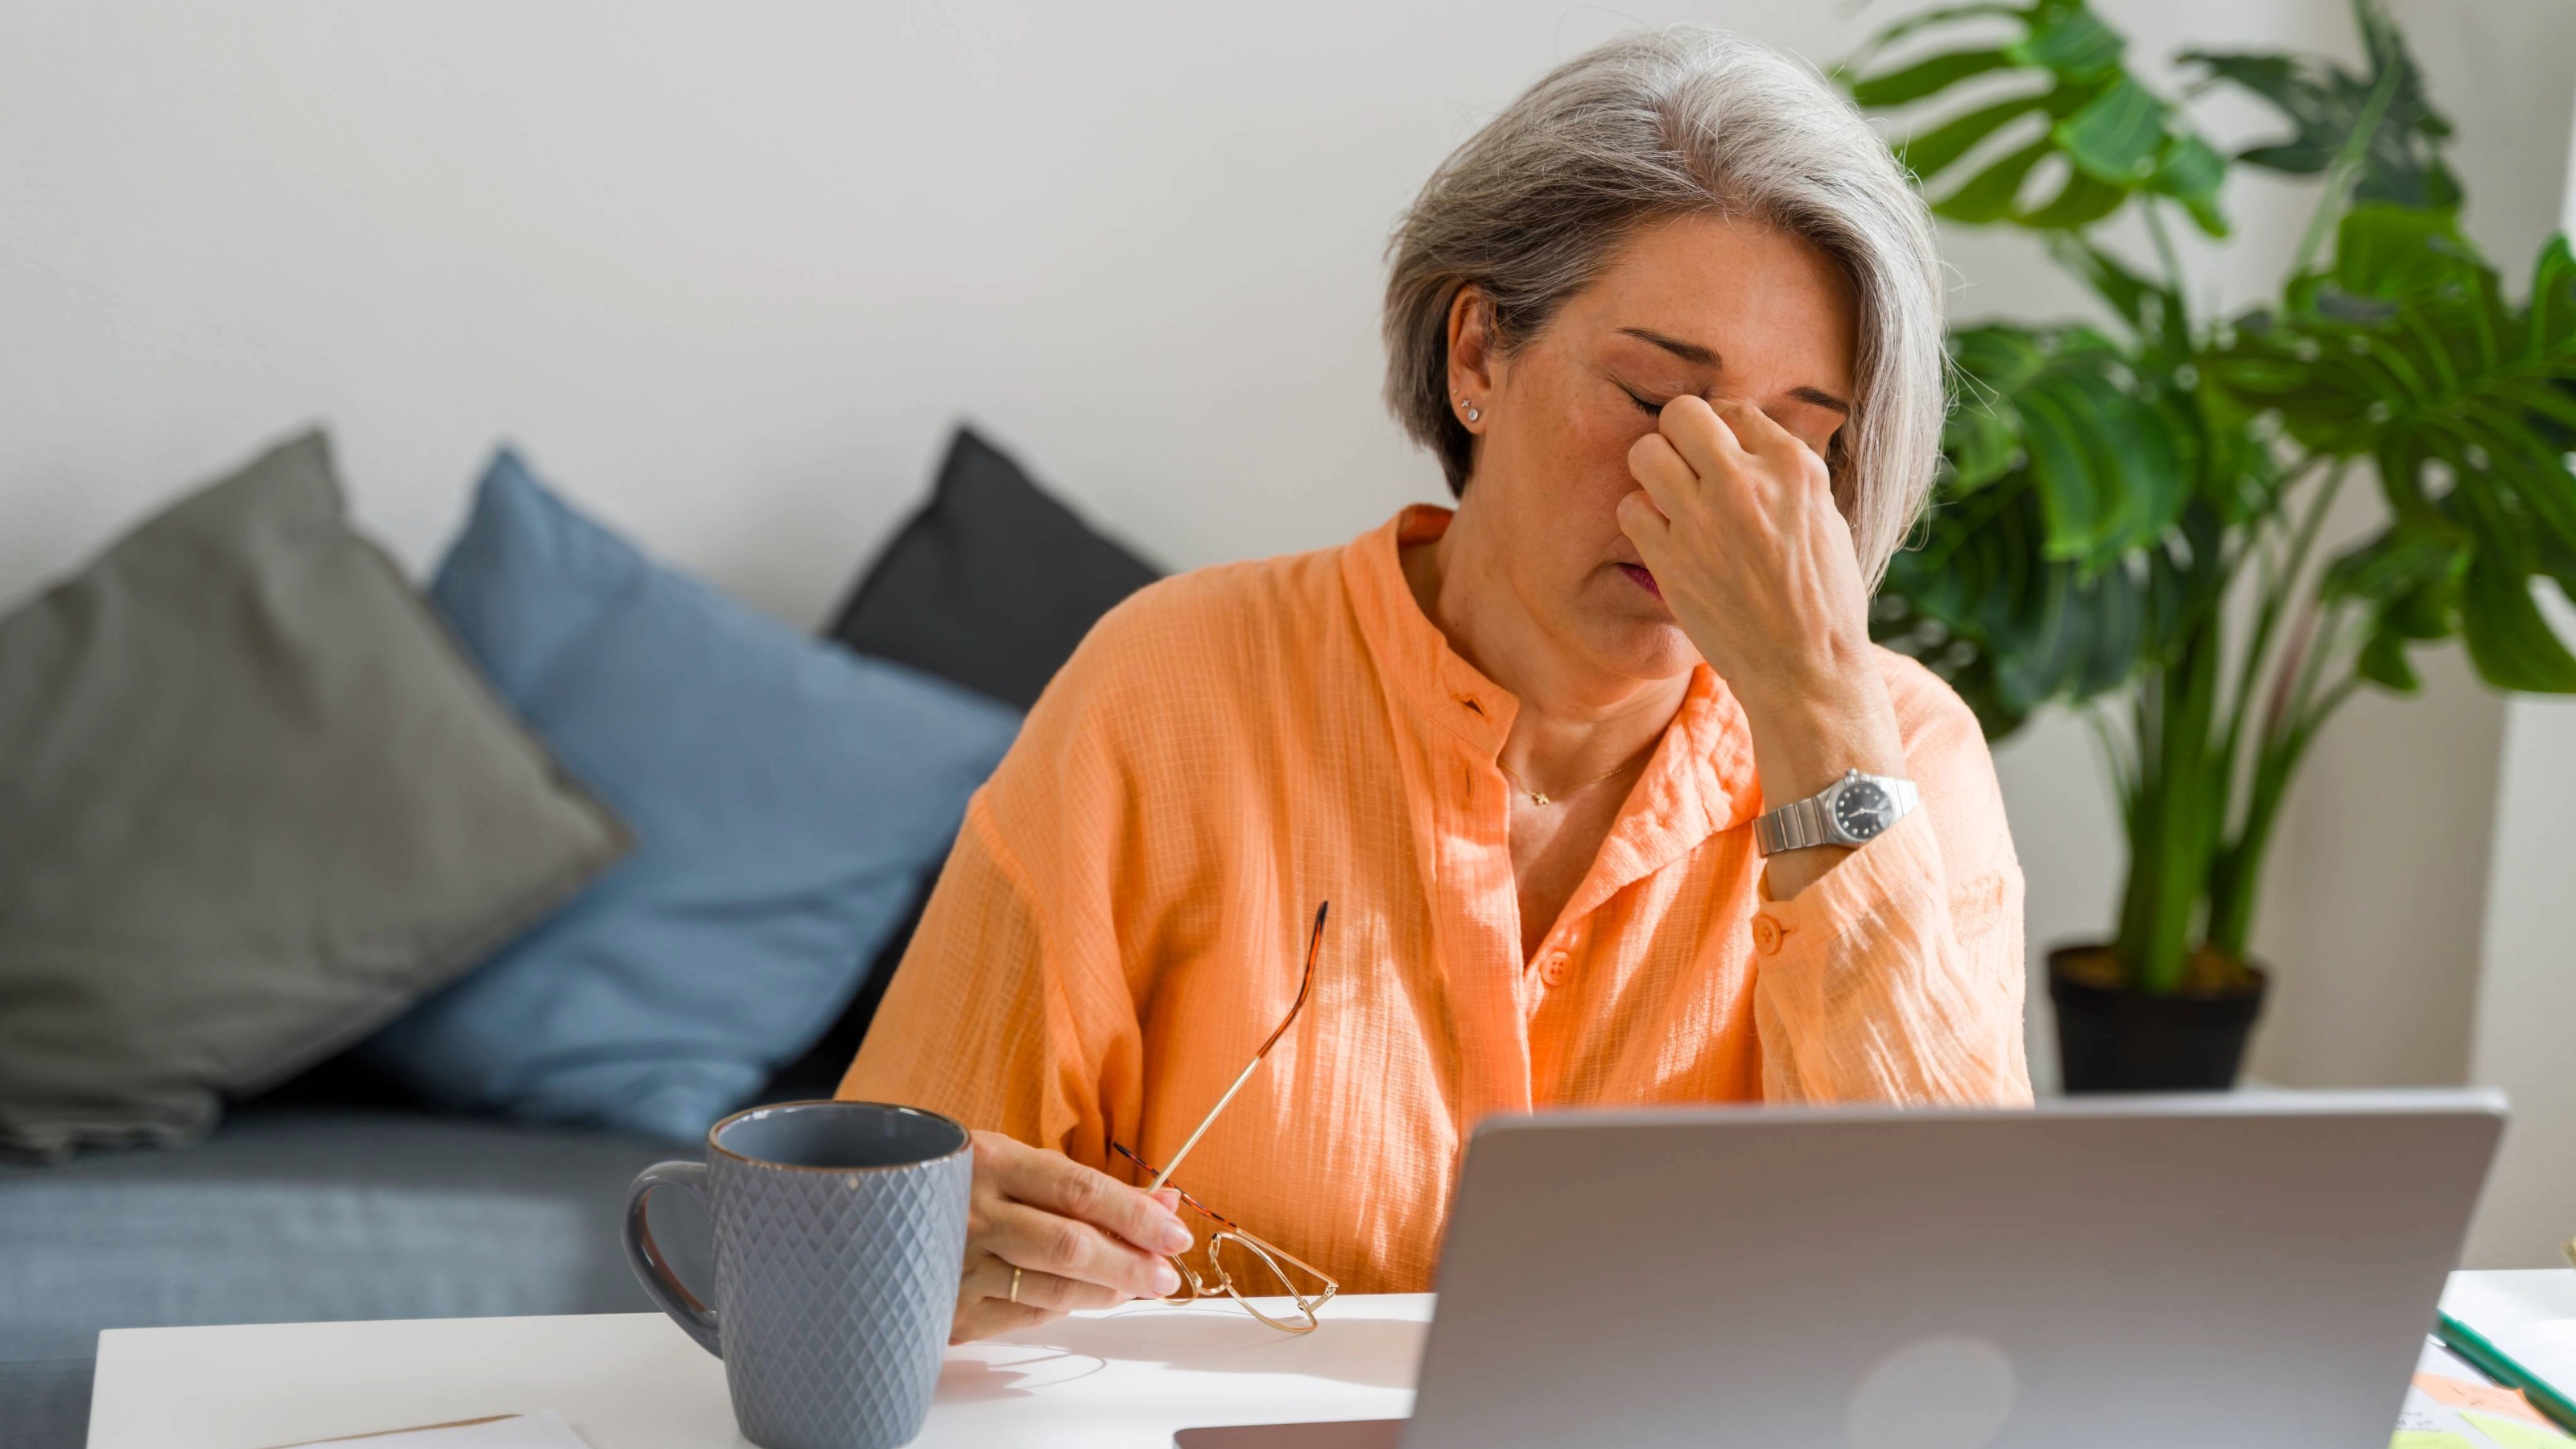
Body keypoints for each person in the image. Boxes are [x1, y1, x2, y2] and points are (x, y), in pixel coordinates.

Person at [840, 24, 2033, 1345]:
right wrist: (926, 1261)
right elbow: (858, 1244)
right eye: (1652, 399)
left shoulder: (1901, 750)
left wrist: (1818, 716)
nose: (1716, 502)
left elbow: (1963, 1312)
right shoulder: (1165, 690)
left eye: (1798, 442)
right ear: (1478, 356)